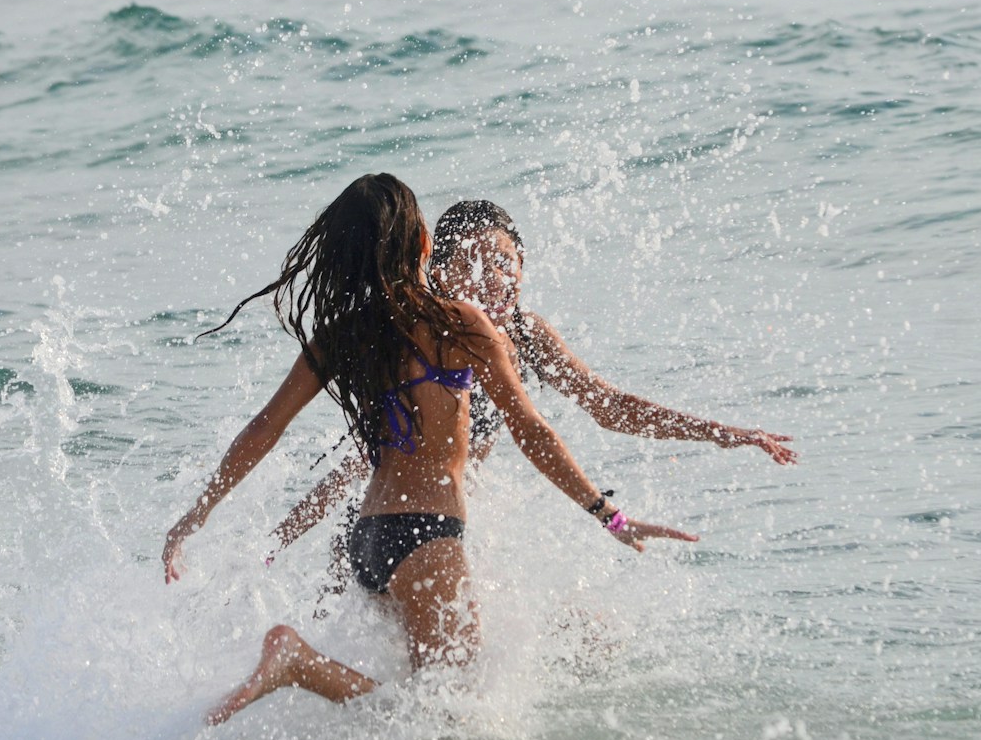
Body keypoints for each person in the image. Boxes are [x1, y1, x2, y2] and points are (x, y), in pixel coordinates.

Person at [160, 174, 694, 725]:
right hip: (427, 533)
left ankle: (305, 667)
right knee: (453, 717)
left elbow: (263, 428)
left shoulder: (345, 334)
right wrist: (609, 516)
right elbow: (532, 430)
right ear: (423, 244)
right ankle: (299, 662)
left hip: (367, 540)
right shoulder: (459, 325)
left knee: (426, 709)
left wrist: (198, 514)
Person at [265, 199, 797, 564]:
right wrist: (282, 539)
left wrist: (727, 434)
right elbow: (363, 461)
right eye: (472, 263)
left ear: (522, 265)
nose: (491, 277)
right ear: (439, 272)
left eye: (503, 261)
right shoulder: (427, 340)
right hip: (392, 528)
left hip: (454, 528)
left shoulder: (526, 335)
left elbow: (610, 407)